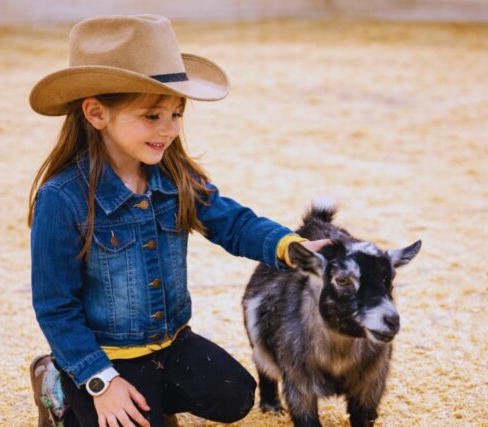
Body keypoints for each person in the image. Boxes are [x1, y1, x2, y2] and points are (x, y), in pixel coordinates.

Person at [26, 15, 330, 427]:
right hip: (103, 356)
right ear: (96, 113)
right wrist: (99, 379)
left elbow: (234, 224)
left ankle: (149, 397)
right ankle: (59, 387)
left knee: (235, 395)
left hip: (169, 343)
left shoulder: (175, 176)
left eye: (176, 113)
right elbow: (55, 305)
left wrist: (288, 246)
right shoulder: (61, 199)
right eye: (152, 116)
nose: (168, 129)